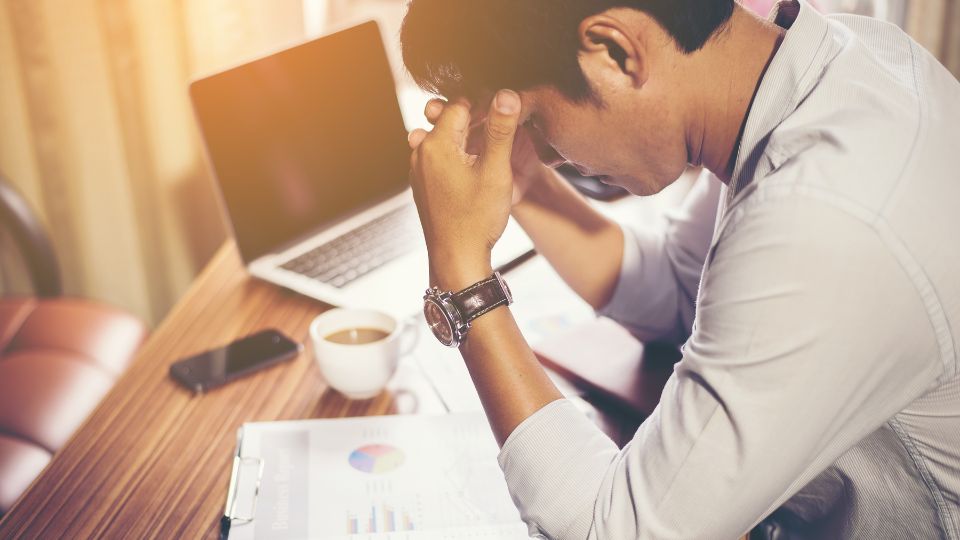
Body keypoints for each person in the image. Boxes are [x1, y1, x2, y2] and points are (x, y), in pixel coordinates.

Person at [401, 0, 960, 537]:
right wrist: (524, 182)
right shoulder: (829, 68)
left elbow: (614, 530)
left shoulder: (824, 215)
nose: (547, 152)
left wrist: (461, 274)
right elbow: (674, 289)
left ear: (616, 52)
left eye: (540, 122)